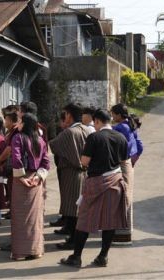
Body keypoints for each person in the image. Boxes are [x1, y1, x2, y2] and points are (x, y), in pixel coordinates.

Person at [58, 109, 130, 268]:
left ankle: (76, 257)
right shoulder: (121, 137)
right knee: (109, 222)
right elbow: (125, 161)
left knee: (84, 220)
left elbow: (84, 161)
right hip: (115, 182)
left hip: (96, 182)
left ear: (97, 121)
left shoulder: (94, 137)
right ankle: (103, 256)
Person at [8, 113, 50, 260]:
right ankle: (36, 250)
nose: (17, 123)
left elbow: (16, 158)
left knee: (20, 217)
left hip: (21, 180)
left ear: (24, 123)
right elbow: (46, 162)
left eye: (19, 121)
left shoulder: (17, 138)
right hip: (37, 181)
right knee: (35, 218)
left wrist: (20, 177)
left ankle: (20, 252)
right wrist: (39, 177)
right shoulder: (40, 140)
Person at [50, 103, 91, 238]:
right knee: (78, 206)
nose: (65, 117)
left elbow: (53, 145)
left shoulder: (69, 132)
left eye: (66, 114)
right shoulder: (86, 129)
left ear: (70, 115)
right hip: (84, 172)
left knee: (71, 206)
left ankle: (72, 237)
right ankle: (72, 234)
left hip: (71, 172)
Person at [110, 103, 141, 243]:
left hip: (121, 164)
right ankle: (126, 231)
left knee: (122, 197)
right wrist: (133, 161)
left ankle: (121, 232)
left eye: (112, 114)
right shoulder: (130, 125)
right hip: (129, 164)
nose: (111, 116)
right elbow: (140, 146)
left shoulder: (120, 128)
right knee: (127, 196)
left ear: (117, 114)